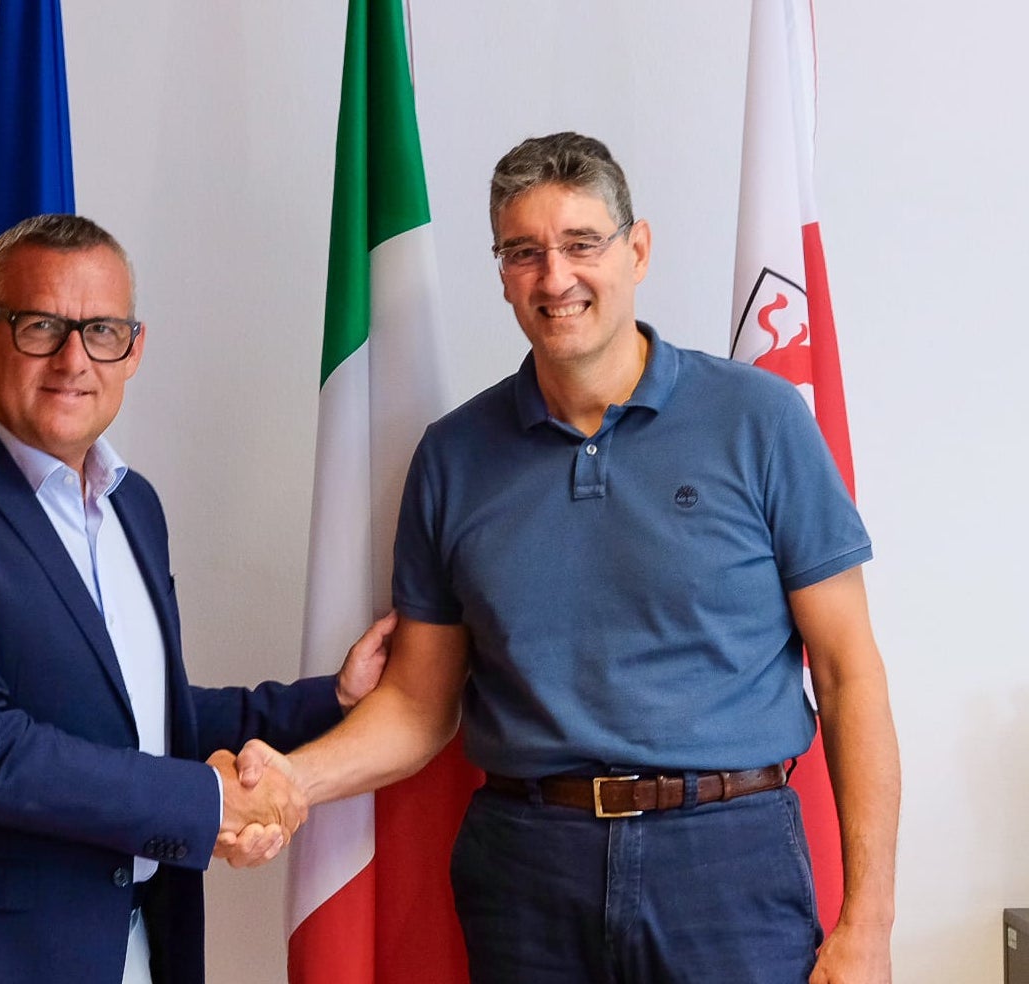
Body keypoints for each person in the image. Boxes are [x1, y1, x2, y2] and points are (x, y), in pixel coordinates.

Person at [232, 133, 900, 983]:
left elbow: (849, 676)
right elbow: (418, 703)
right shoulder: (452, 458)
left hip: (727, 865)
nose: (555, 278)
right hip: (527, 872)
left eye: (583, 243)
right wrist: (291, 779)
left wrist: (869, 923)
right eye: (524, 252)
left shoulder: (759, 421)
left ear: (638, 250)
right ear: (502, 272)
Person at [0, 213, 391, 984]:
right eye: (40, 327)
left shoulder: (132, 505)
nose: (74, 360)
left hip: (132, 946)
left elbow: (138, 716)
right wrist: (209, 802)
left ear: (135, 348)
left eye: (102, 332)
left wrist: (335, 698)